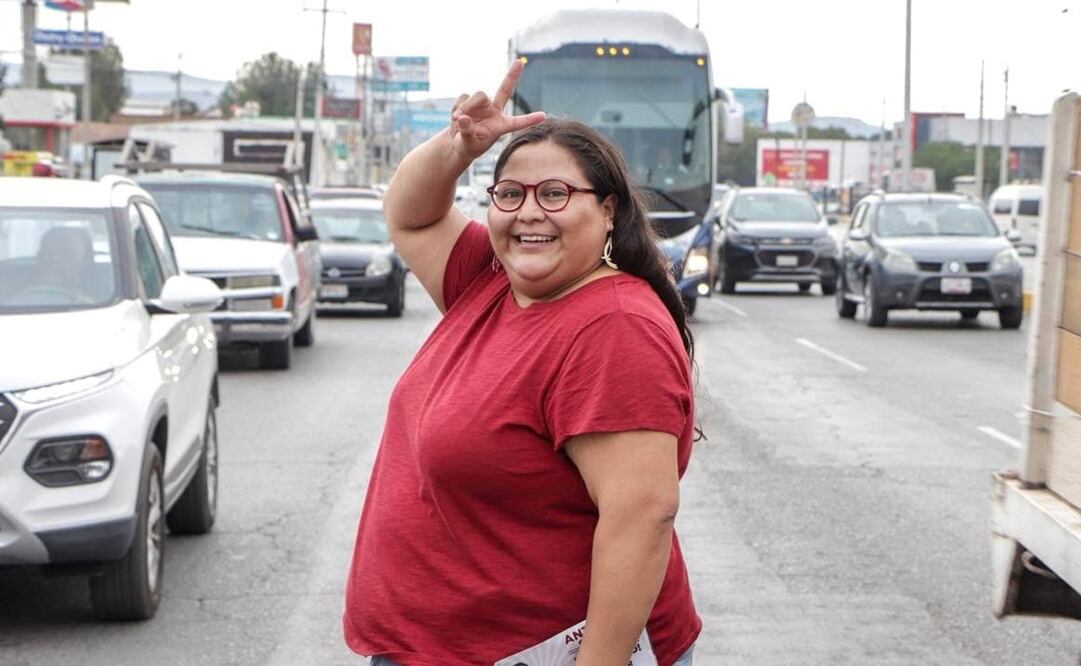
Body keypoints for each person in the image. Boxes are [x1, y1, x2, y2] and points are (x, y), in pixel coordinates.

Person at [343, 60, 701, 666]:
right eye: (510, 194)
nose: (529, 212)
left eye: (556, 193)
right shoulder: (492, 279)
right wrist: (459, 148)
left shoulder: (614, 327)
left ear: (609, 210)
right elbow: (409, 212)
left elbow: (643, 516)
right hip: (436, 647)